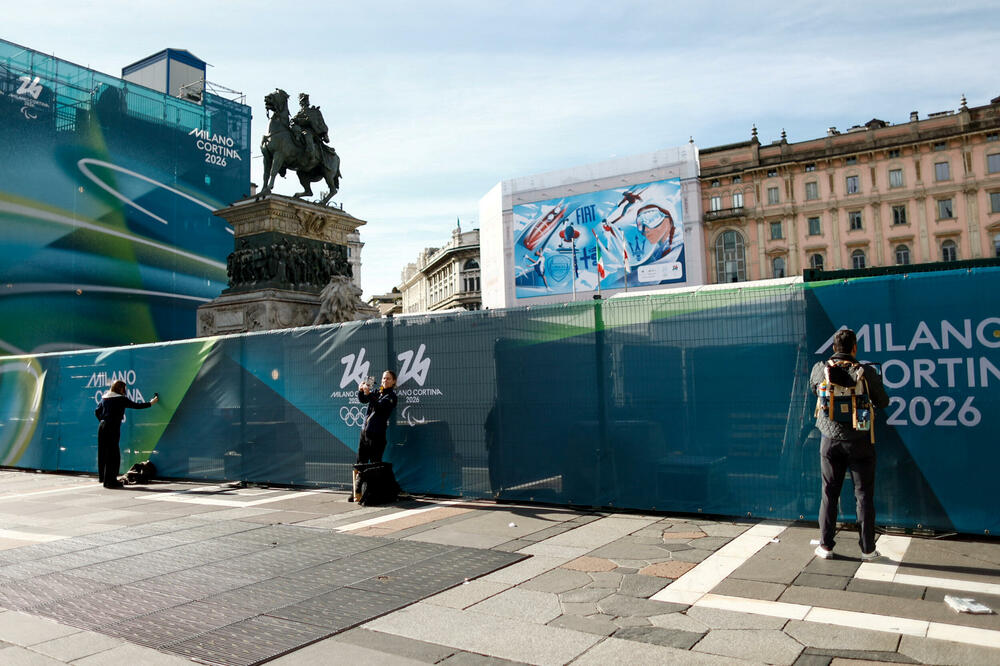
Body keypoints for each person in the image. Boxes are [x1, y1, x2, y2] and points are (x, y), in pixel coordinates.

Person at [809, 329, 889, 560]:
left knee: (829, 493)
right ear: (854, 348)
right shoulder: (866, 372)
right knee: (863, 495)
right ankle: (868, 549)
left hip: (830, 442)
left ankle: (826, 546)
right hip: (860, 441)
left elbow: (815, 389)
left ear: (834, 348)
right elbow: (883, 401)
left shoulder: (820, 369)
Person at [94, 380, 158, 489]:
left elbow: (97, 411)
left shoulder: (105, 397)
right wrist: (151, 403)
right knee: (114, 455)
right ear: (120, 389)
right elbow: (136, 405)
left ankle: (105, 480)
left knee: (104, 453)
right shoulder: (120, 399)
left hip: (102, 427)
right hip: (112, 427)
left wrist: (103, 420)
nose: (125, 390)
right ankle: (111, 481)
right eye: (124, 388)